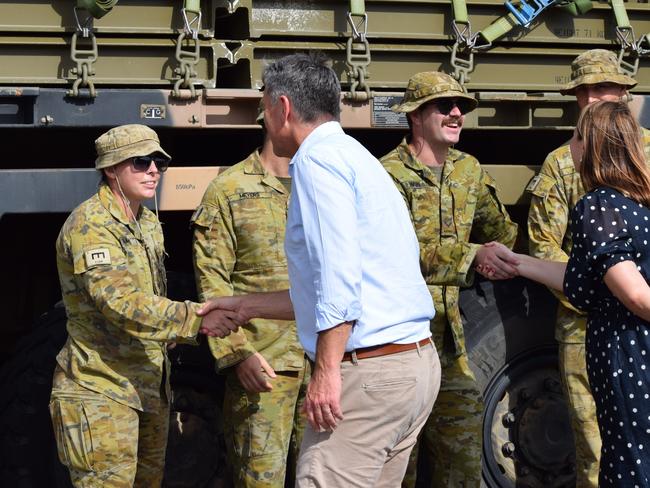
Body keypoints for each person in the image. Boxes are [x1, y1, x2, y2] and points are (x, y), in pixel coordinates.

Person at [198, 53, 440, 487]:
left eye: (265, 105)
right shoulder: (357, 157)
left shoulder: (314, 161)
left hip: (368, 372)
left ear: (283, 107)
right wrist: (245, 305)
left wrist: (327, 372)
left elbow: (338, 278)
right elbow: (345, 283)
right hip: (412, 366)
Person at [50, 124, 242, 487]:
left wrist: (169, 332)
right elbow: (120, 303)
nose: (154, 170)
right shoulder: (91, 224)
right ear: (110, 169)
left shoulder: (147, 221)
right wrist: (194, 320)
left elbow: (151, 292)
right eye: (140, 162)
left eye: (158, 161)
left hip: (148, 388)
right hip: (102, 391)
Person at [380, 71, 519, 487]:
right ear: (416, 116)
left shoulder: (468, 170)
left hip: (450, 346)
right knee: (397, 469)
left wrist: (496, 254)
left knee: (461, 460)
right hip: (398, 348)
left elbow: (501, 232)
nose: (457, 113)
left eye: (461, 107)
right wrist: (474, 256)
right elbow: (395, 257)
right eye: (445, 106)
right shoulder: (387, 176)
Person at [527, 48, 650, 487]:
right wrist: (596, 292)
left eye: (604, 88)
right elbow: (546, 243)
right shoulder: (563, 162)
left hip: (632, 330)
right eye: (585, 91)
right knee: (595, 450)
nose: (594, 98)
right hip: (586, 326)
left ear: (624, 93)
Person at [192, 105, 309, 487]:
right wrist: (237, 354)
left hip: (326, 366)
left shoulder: (323, 184)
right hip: (264, 369)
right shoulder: (229, 189)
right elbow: (213, 283)